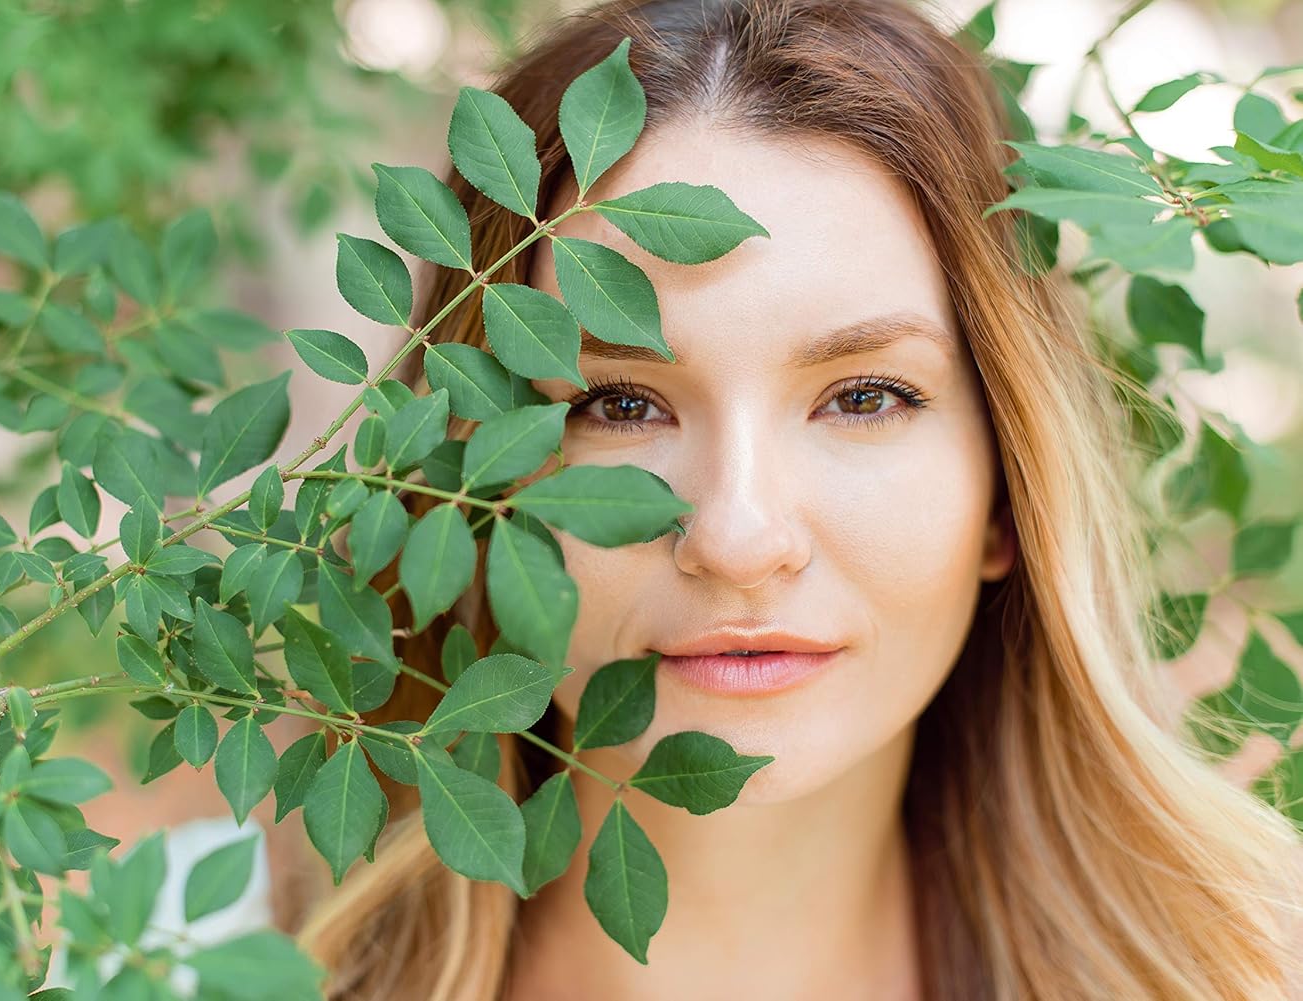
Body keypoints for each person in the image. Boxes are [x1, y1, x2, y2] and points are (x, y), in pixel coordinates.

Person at [290, 0, 1303, 998]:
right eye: (618, 403)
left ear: (1006, 491)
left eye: (864, 397)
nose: (736, 537)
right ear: (467, 479)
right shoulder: (192, 963)